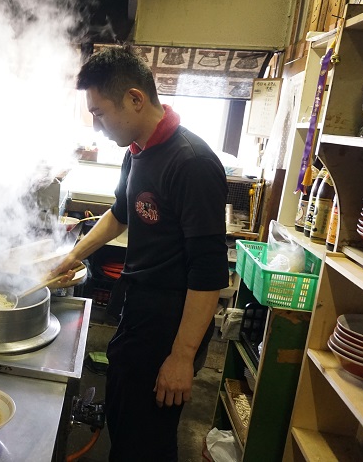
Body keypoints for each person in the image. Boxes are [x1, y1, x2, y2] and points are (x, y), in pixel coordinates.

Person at [54, 46, 228, 461]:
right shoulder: (137, 151)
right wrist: (71, 256)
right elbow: (119, 214)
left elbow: (208, 272)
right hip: (137, 308)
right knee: (124, 420)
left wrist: (182, 357)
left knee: (148, 441)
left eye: (99, 113)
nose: (96, 126)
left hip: (171, 326)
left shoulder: (192, 163)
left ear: (135, 99)